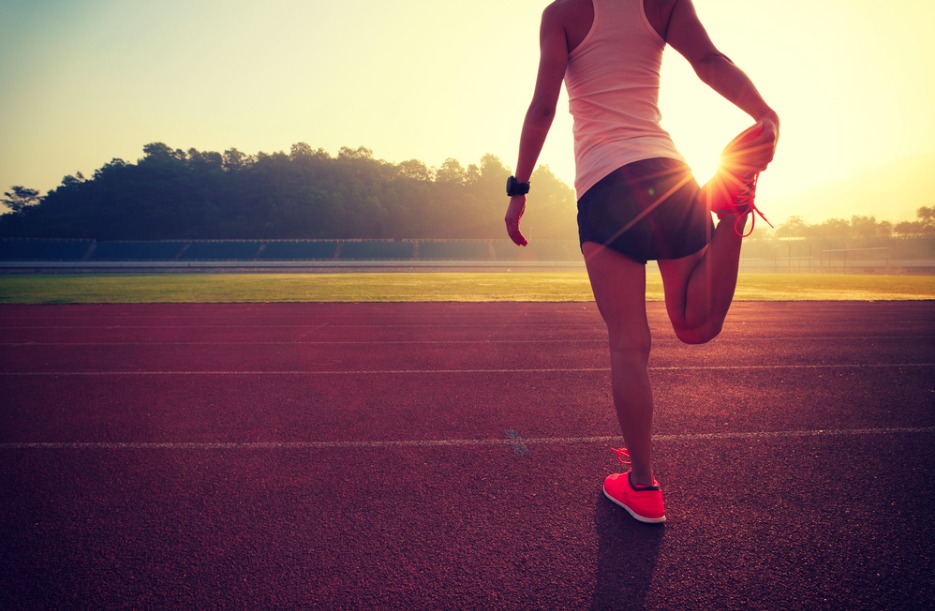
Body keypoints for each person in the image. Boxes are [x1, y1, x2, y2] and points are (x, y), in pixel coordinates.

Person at [504, 0, 779, 523]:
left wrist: (518, 191)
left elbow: (543, 106)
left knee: (629, 341)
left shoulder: (563, 13)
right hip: (669, 175)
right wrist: (765, 113)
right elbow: (709, 61)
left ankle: (644, 485)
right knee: (696, 325)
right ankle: (731, 213)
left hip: (606, 185)